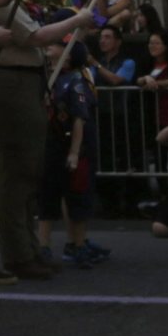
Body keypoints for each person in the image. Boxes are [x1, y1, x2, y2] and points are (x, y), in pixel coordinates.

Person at [0, 0, 78, 281]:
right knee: (17, 172)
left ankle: (29, 248)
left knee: (28, 172)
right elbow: (34, 36)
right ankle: (17, 252)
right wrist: (78, 22)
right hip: (11, 83)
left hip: (25, 83)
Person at [42, 40, 108, 268]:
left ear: (69, 55)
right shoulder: (46, 77)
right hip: (50, 144)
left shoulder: (77, 82)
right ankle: (43, 245)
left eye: (58, 45)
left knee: (78, 194)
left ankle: (77, 244)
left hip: (72, 144)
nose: (49, 47)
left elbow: (79, 116)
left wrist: (74, 152)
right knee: (47, 194)